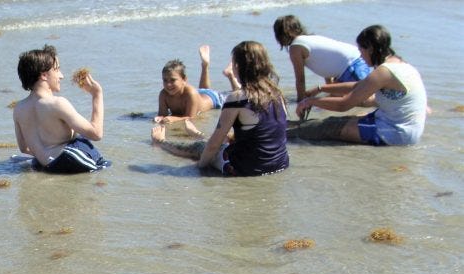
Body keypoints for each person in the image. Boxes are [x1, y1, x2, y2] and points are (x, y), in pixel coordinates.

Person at [151, 41, 289, 177]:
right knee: (226, 139)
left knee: (200, 147)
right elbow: (260, 134)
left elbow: (213, 146)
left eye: (234, 64)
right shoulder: (277, 93)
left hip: (247, 168)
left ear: (238, 67)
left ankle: (161, 141)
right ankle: (197, 134)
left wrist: (199, 168)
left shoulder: (238, 98)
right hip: (280, 163)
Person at [293, 25, 427, 146]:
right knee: (333, 121)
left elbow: (343, 105)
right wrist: (320, 89)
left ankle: (282, 136)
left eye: (361, 50)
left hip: (396, 132)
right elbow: (359, 85)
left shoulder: (384, 72)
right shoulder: (398, 63)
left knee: (325, 128)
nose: (361, 56)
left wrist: (310, 101)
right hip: (404, 127)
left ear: (370, 49)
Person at [13, 45, 106, 174]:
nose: (61, 76)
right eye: (57, 70)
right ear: (44, 75)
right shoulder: (57, 103)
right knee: (97, 158)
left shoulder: (19, 109)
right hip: (70, 159)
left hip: (45, 165)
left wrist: (45, 151)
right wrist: (97, 95)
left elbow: (24, 148)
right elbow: (96, 134)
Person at [273, 14, 372, 112]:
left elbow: (300, 80)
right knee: (338, 98)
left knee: (364, 99)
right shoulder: (311, 38)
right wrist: (330, 88)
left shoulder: (295, 47)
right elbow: (326, 62)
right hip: (355, 60)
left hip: (352, 66)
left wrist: (300, 102)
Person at [155, 45, 242, 137]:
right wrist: (159, 118)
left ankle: (230, 75)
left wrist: (174, 119)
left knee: (238, 95)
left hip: (215, 98)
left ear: (184, 79)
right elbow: (162, 114)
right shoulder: (163, 94)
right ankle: (205, 66)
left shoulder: (190, 93)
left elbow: (191, 117)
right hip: (200, 94)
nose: (168, 84)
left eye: (173, 80)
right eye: (165, 80)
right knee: (204, 90)